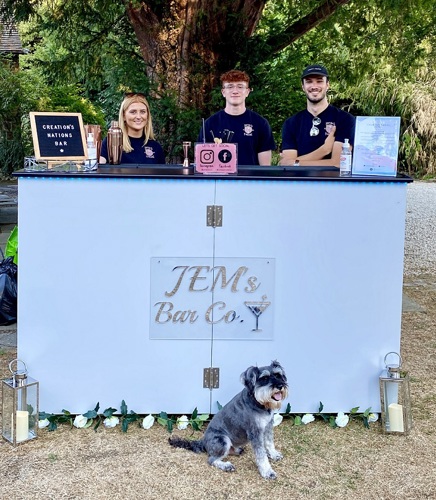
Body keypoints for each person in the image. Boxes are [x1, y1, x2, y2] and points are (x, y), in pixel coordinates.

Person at [280, 65, 355, 167]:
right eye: (309, 81)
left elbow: (338, 163)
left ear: (327, 85)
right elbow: (287, 166)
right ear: (303, 86)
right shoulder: (291, 123)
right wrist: (324, 150)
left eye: (319, 81)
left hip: (333, 182)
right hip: (300, 182)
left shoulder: (345, 119)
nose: (314, 86)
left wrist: (295, 162)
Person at [198, 70, 276, 166]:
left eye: (240, 86)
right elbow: (204, 164)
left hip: (250, 180)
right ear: (223, 92)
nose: (235, 91)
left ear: (247, 92)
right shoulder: (209, 124)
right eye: (230, 86)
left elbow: (265, 168)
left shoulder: (260, 123)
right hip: (219, 180)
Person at [100, 93, 165, 164]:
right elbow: (99, 168)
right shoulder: (110, 143)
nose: (138, 117)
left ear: (148, 115)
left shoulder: (155, 147)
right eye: (133, 112)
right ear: (123, 116)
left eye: (142, 112)